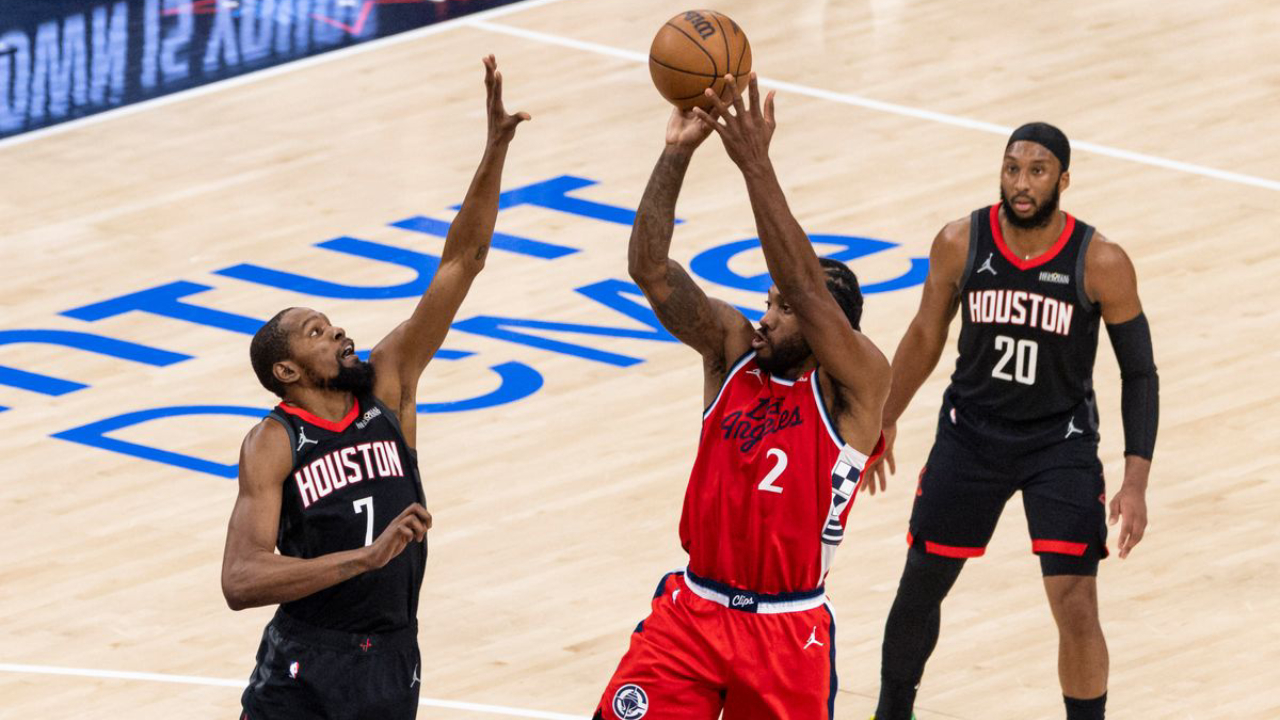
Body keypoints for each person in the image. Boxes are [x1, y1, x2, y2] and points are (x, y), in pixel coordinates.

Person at [220, 55, 528, 720]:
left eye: (333, 324)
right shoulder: (274, 442)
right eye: (316, 332)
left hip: (391, 657)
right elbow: (241, 580)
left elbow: (461, 262)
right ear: (286, 372)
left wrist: (494, 150)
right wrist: (364, 559)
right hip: (306, 659)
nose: (339, 334)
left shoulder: (388, 386)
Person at [593, 74, 889, 720]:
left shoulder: (855, 387)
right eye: (767, 303)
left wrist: (756, 165)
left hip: (787, 633)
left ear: (824, 330)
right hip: (693, 615)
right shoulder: (732, 353)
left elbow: (809, 289)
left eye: (783, 310)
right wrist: (676, 152)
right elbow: (649, 269)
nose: (767, 317)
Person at [865, 122, 1158, 720]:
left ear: (1063, 180)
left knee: (1075, 601)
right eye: (1012, 169)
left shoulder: (1101, 261)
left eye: (1037, 171)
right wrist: (884, 416)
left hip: (1060, 443)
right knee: (921, 583)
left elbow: (1140, 374)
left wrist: (1135, 481)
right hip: (971, 434)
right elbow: (926, 333)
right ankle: (890, 713)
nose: (1021, 184)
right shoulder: (959, 241)